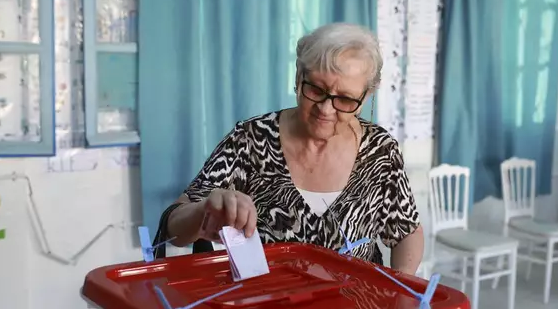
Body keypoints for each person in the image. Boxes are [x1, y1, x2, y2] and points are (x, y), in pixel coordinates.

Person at [158, 23, 424, 274]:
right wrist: (203, 211)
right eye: (316, 90)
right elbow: (173, 227)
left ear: (366, 97)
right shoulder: (250, 139)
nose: (326, 109)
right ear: (299, 76)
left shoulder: (380, 150)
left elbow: (407, 232)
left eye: (344, 99)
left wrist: (401, 288)